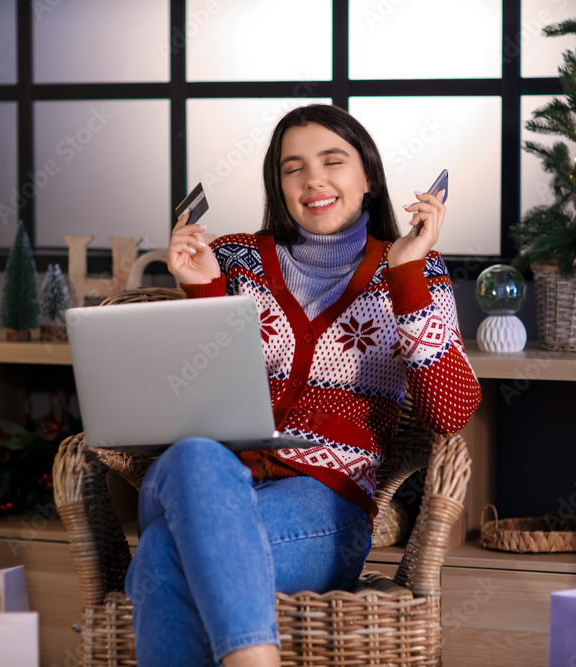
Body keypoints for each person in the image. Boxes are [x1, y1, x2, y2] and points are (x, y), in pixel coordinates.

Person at [124, 103, 482, 666]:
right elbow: (197, 399)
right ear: (279, 184)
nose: (313, 179)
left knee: (160, 557)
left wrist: (408, 277)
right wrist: (201, 292)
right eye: (293, 168)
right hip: (202, 478)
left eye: (333, 161)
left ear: (368, 177)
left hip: (324, 505)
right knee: (195, 456)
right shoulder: (235, 261)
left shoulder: (414, 269)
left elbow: (451, 411)